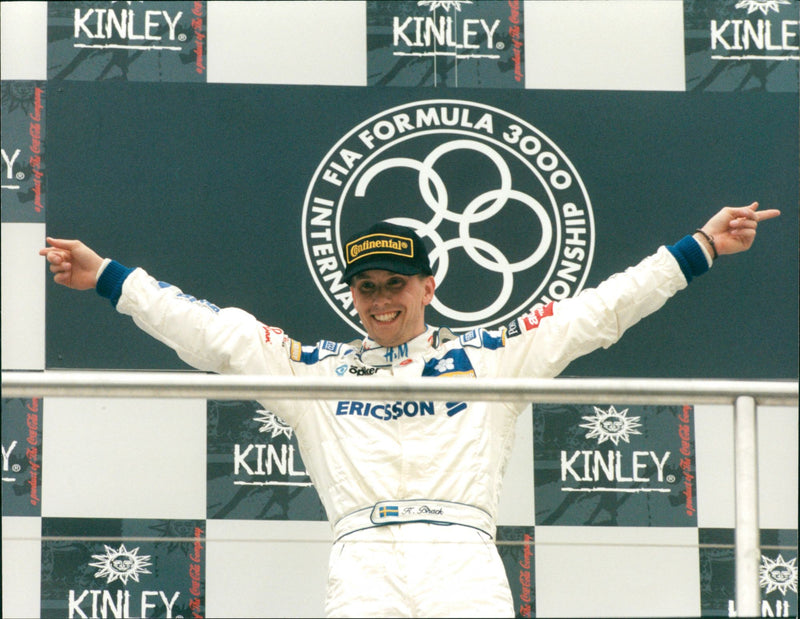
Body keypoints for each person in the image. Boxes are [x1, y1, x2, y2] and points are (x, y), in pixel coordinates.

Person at [40, 202, 779, 618]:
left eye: (396, 281)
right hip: (362, 564)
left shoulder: (494, 354)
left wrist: (700, 246)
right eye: (365, 287)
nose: (380, 299)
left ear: (429, 285)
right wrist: (108, 275)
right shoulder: (315, 367)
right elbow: (213, 332)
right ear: (351, 295)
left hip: (463, 561)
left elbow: (600, 311)